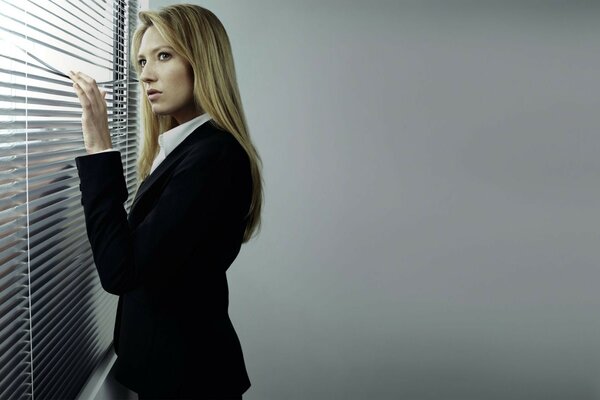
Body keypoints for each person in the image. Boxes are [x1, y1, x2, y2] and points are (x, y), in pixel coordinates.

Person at [69, 4, 262, 399]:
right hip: (174, 373)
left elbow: (121, 271)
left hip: (191, 381)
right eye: (141, 60)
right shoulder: (180, 148)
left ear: (201, 62)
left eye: (164, 55)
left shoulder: (214, 157)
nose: (146, 74)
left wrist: (99, 149)